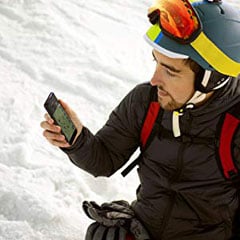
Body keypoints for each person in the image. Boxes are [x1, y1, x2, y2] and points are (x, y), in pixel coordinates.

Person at [40, 0, 240, 239]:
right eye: (156, 62)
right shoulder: (146, 101)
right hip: (147, 229)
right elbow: (103, 160)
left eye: (170, 71)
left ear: (212, 78)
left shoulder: (236, 122)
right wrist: (77, 140)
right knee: (103, 234)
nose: (154, 80)